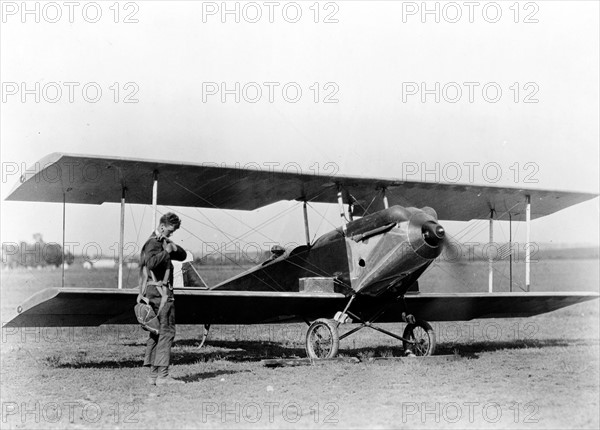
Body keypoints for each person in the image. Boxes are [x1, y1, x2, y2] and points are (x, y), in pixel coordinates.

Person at [137, 212, 187, 385]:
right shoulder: (153, 243)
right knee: (167, 332)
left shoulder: (161, 241)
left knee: (157, 333)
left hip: (156, 293)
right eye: (170, 232)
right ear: (162, 226)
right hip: (161, 294)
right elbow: (150, 263)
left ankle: (153, 376)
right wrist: (166, 251)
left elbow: (183, 255)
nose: (171, 235)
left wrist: (171, 245)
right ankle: (163, 377)